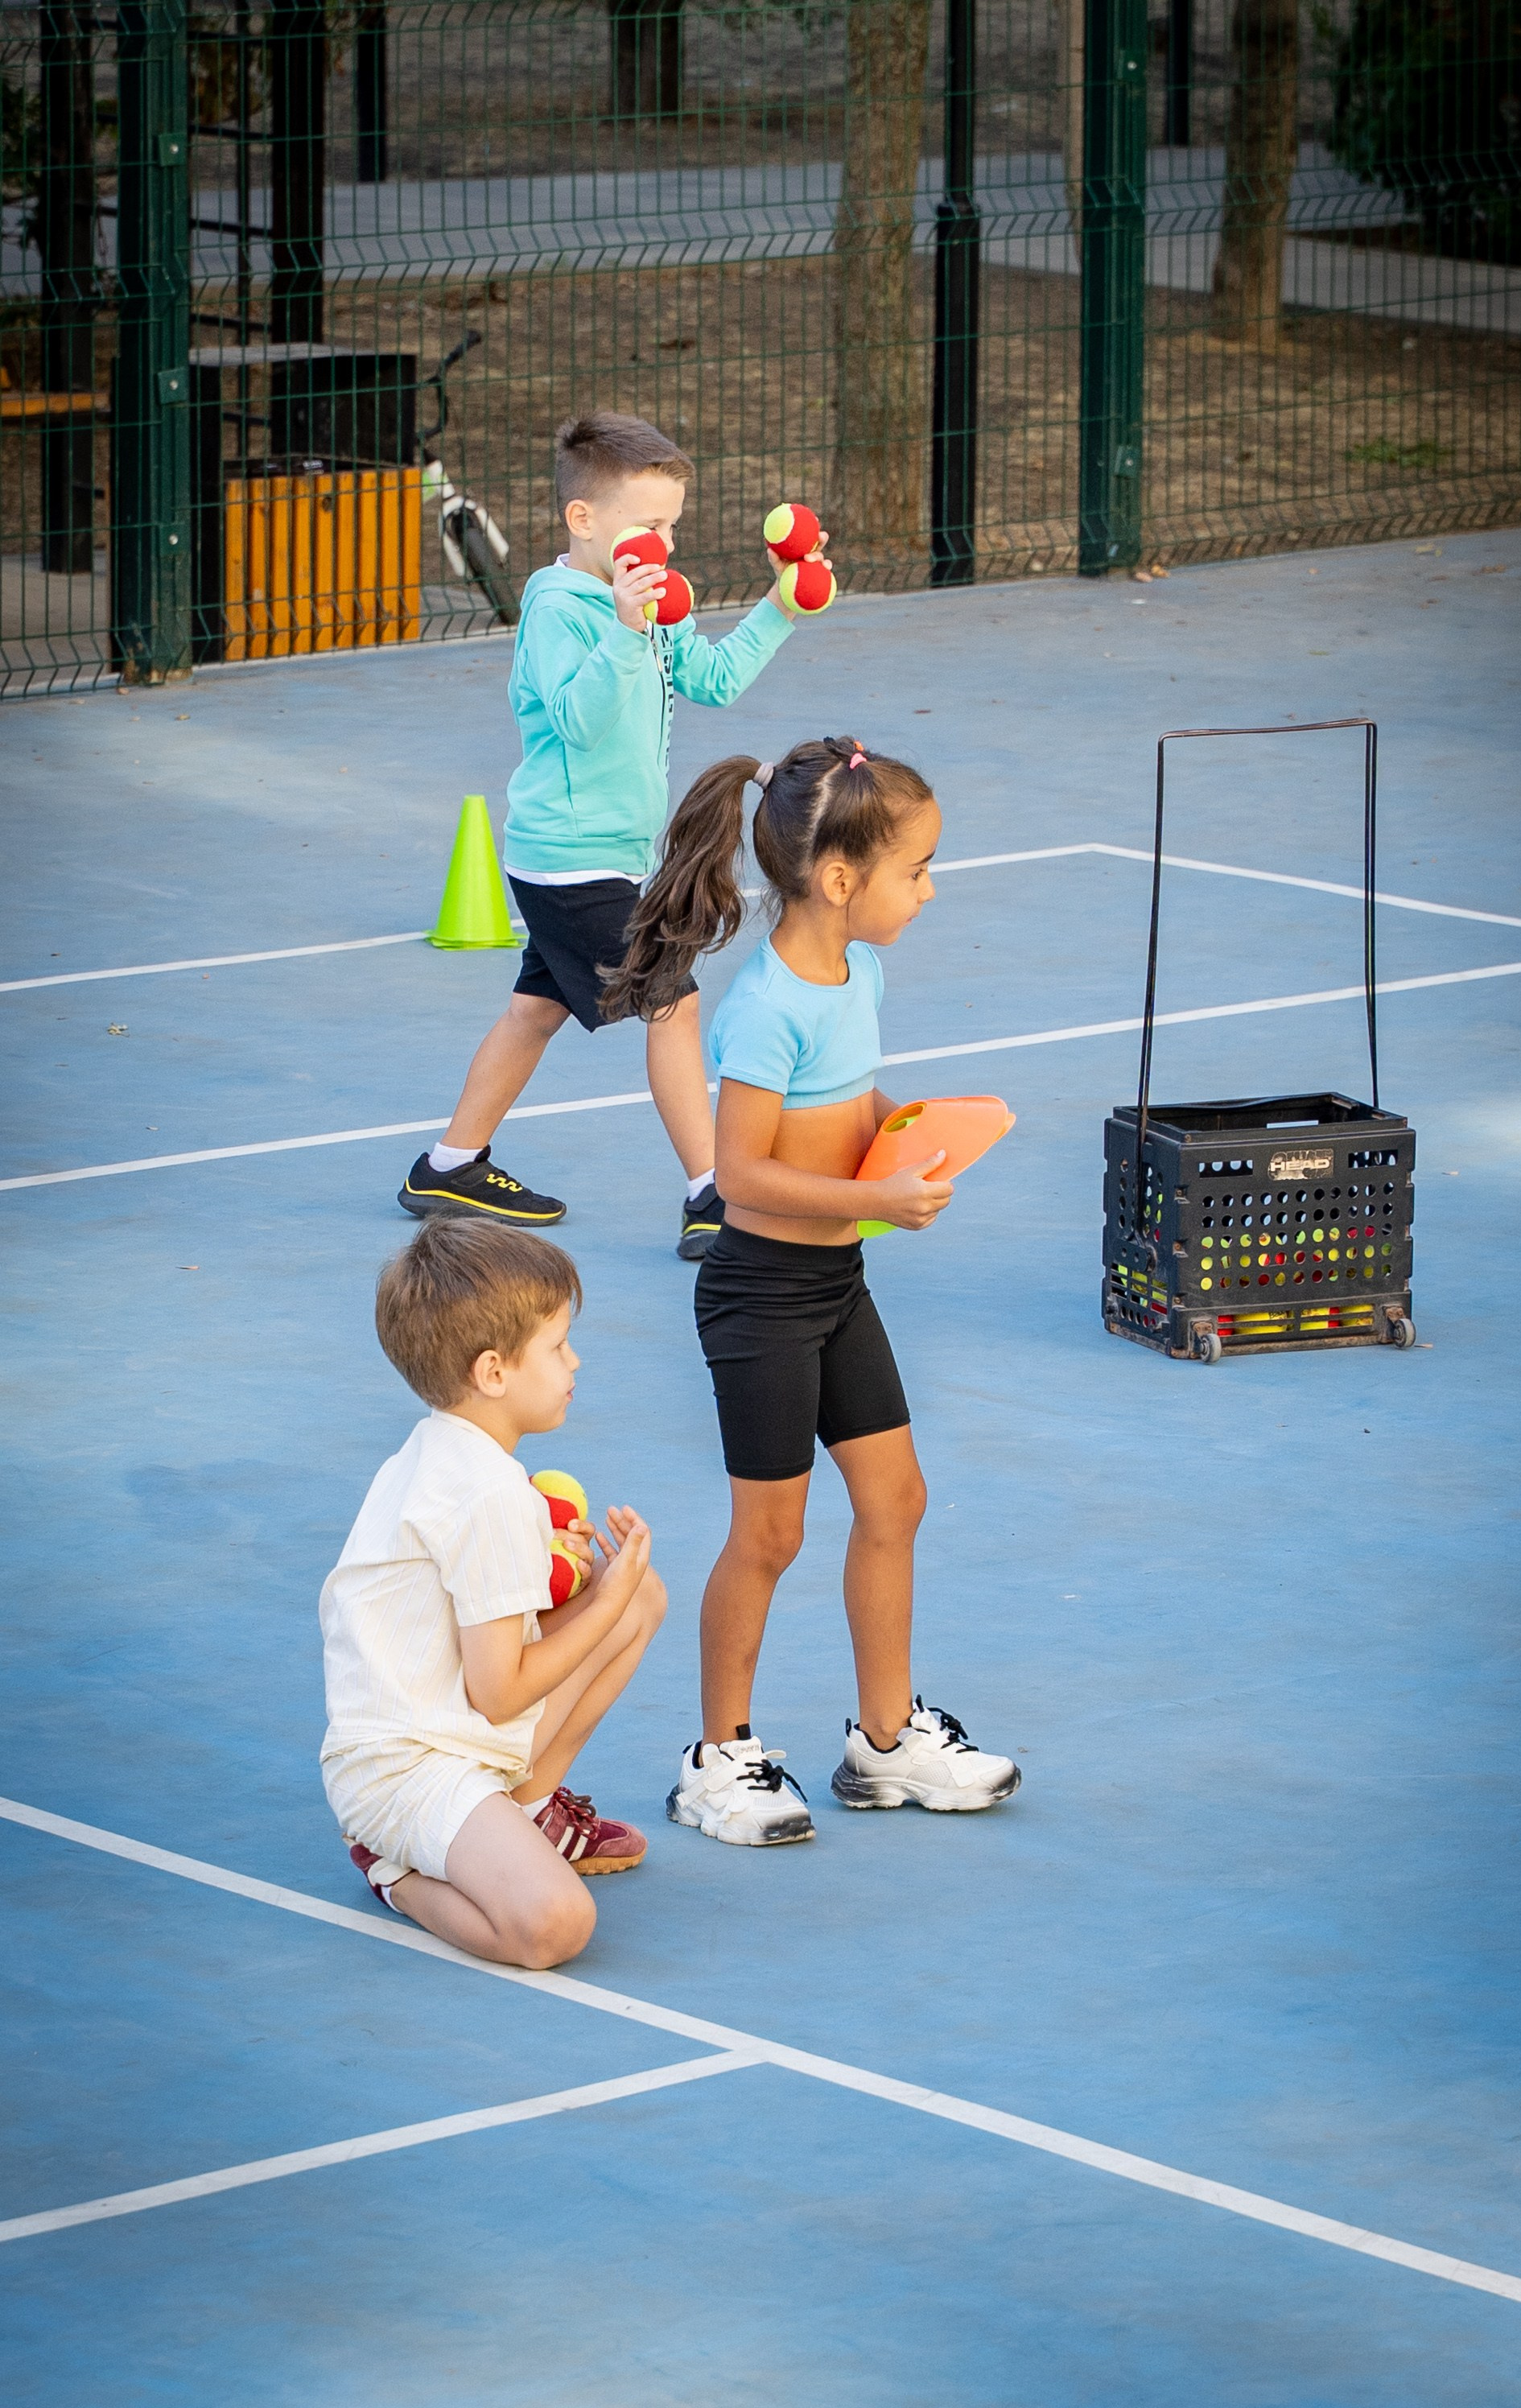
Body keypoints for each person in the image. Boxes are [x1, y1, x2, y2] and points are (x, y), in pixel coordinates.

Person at [602, 736, 1021, 1846]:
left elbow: (851, 1100)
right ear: (839, 881)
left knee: (896, 1502)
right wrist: (867, 1195)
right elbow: (736, 1175)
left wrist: (905, 1145)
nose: (927, 890)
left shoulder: (859, 971)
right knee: (769, 1534)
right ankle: (719, 1757)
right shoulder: (761, 1008)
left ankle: (884, 1741)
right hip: (762, 1294)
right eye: (915, 870)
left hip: (837, 1278)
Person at [399, 410, 828, 1261]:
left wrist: (781, 603)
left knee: (536, 1010)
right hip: (571, 858)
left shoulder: (649, 600)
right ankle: (713, 1190)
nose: (663, 541)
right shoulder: (561, 610)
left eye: (672, 526)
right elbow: (577, 723)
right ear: (583, 520)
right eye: (647, 524)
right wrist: (628, 630)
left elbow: (711, 677)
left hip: (609, 854)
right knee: (674, 1004)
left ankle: (449, 1164)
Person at [319, 1218, 666, 1969]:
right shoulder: (489, 1496)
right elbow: (499, 1694)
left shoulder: (441, 1448)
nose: (575, 1360)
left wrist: (588, 1584)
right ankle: (393, 1871)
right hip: (407, 1769)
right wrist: (601, 1599)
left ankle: (529, 1810)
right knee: (553, 1927)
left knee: (641, 1598)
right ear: (493, 1373)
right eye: (557, 1346)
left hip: (439, 1728)